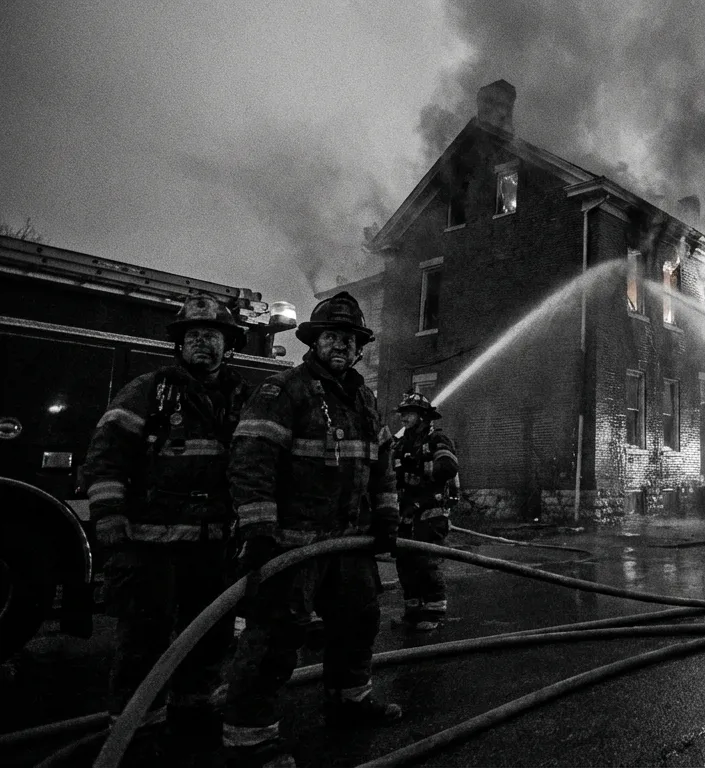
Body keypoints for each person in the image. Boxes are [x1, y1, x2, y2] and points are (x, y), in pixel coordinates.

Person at [221, 291, 402, 768]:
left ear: (359, 348)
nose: (341, 344)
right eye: (332, 336)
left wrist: (386, 514)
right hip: (292, 545)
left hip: (350, 543)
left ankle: (349, 701)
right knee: (275, 639)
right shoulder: (284, 391)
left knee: (358, 623)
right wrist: (258, 529)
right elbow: (252, 461)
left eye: (350, 338)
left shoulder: (364, 399)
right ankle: (250, 737)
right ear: (314, 342)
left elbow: (383, 465)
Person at [82, 295, 251, 752]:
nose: (202, 343)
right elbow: (106, 454)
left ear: (228, 345)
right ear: (179, 344)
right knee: (144, 638)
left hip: (213, 542)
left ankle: (193, 706)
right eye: (193, 335)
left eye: (212, 335)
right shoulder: (149, 390)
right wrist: (109, 515)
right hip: (149, 543)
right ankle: (138, 727)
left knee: (210, 631)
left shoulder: (242, 397)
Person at [391, 391, 459, 631]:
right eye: (402, 414)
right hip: (406, 513)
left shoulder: (436, 439)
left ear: (422, 416)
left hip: (430, 514)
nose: (403, 418)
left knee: (427, 562)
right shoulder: (400, 443)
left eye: (408, 413)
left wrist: (421, 467)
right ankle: (413, 612)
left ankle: (434, 612)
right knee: (405, 563)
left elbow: (448, 466)